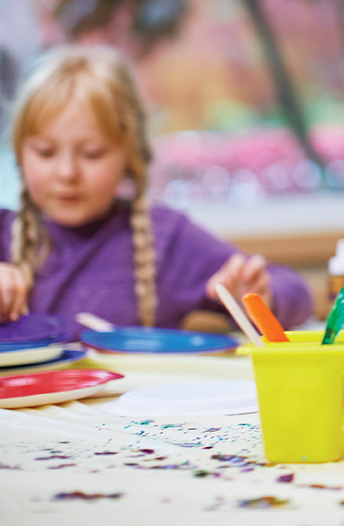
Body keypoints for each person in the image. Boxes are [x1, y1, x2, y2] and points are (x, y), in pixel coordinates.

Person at [0, 45, 313, 338]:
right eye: (45, 152)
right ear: (19, 153)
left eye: (92, 153)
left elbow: (297, 292)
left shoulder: (165, 238)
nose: (67, 173)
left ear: (129, 154)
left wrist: (259, 298)